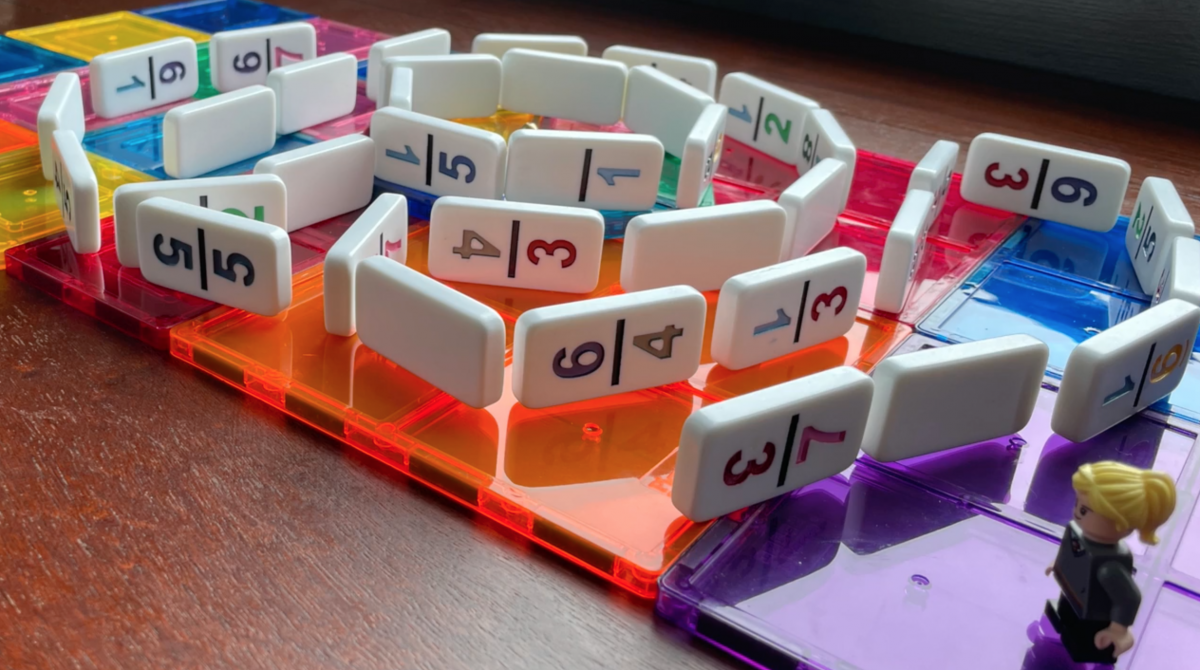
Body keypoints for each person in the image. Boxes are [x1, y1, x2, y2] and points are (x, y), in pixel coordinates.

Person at [1044, 461, 1177, 664]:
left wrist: (1118, 630)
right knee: (1064, 614)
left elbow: (1129, 598)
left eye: (1085, 510)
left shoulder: (1110, 566)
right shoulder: (1076, 533)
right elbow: (1073, 553)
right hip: (1072, 596)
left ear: (1121, 523)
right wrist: (1059, 564)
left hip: (1092, 619)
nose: (1077, 512)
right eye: (1077, 504)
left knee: (1078, 642)